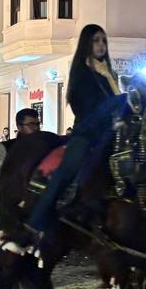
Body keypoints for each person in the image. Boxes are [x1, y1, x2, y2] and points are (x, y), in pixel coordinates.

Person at [22, 24, 126, 245]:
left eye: (103, 41)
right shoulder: (82, 72)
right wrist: (115, 106)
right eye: (96, 40)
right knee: (66, 172)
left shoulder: (108, 73)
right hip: (88, 134)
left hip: (115, 135)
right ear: (87, 43)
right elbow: (85, 108)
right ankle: (34, 225)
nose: (101, 45)